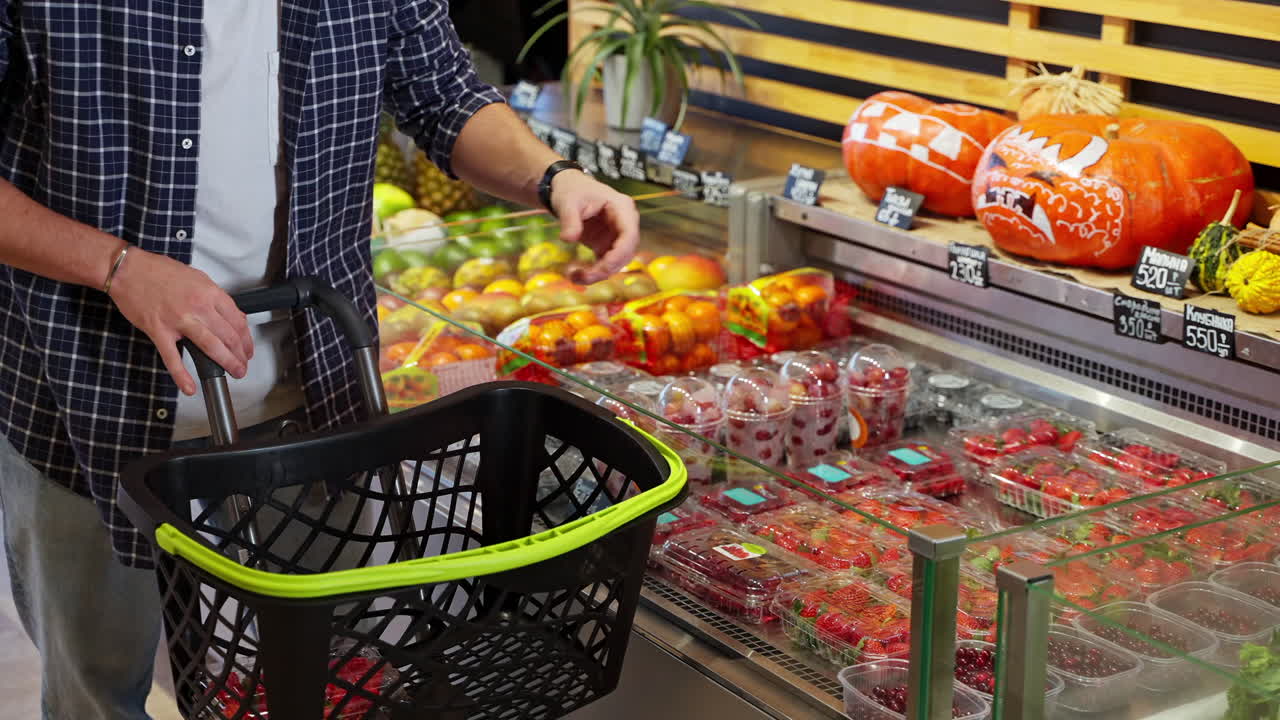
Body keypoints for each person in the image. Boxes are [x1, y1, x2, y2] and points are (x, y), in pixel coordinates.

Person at [0, 1, 639, 717]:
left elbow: (444, 95)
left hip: (319, 403)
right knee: (98, 694)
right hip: (87, 399)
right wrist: (118, 267)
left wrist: (555, 178)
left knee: (344, 687)